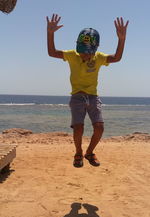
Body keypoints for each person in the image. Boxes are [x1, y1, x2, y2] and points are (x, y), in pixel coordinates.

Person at [46, 14, 129, 168]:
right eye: (82, 51)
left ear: (95, 50)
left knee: (99, 127)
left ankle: (89, 152)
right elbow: (52, 52)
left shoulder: (98, 57)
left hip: (93, 97)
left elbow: (117, 58)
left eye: (88, 51)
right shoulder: (72, 55)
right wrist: (50, 33)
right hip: (77, 97)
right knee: (79, 127)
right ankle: (78, 152)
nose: (85, 54)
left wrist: (121, 39)